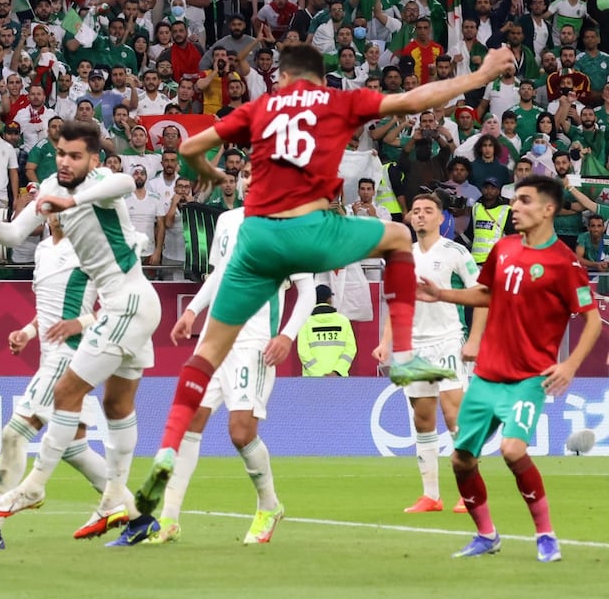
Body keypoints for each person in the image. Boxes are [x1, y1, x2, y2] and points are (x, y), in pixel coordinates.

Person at [138, 42, 516, 515]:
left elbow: (190, 147)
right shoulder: (337, 100)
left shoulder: (260, 107)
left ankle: (168, 451)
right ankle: (402, 356)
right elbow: (415, 100)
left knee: (206, 353)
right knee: (400, 236)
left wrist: (210, 172)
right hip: (312, 230)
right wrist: (479, 75)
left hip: (255, 237)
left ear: (282, 77)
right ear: (320, 77)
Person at [0, 120, 164, 547]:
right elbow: (15, 233)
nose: (65, 161)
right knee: (116, 406)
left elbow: (123, 180)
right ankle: (118, 499)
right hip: (130, 307)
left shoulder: (100, 182)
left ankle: (36, 484)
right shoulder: (47, 189)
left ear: (91, 159)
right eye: (61, 153)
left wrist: (70, 199)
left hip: (127, 300)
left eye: (75, 155)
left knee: (66, 392)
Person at [417, 175, 601, 562]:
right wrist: (442, 293)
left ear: (548, 209)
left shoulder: (565, 262)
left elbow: (592, 320)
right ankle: (486, 534)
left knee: (512, 450)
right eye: (514, 200)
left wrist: (568, 365)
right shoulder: (503, 248)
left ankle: (545, 534)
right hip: (486, 376)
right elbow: (485, 293)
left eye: (524, 201)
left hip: (528, 378)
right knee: (460, 458)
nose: (515, 207)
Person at [154, 167, 315, 545]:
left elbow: (307, 292)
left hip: (254, 340)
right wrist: (193, 310)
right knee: (191, 420)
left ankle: (269, 505)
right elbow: (219, 274)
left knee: (241, 432)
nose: (250, 179)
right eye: (245, 173)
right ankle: (168, 519)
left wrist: (287, 336)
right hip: (213, 335)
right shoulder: (227, 220)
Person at [0, 215, 118, 549]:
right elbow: (51, 309)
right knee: (73, 447)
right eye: (51, 206)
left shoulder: (93, 249)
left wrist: (77, 324)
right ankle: (139, 515)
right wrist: (27, 331)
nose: (58, 213)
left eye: (65, 206)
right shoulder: (42, 250)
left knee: (14, 434)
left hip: (66, 357)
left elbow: (119, 307)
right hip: (50, 354)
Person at [373, 193, 480, 513]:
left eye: (427, 211)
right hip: (413, 346)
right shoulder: (400, 256)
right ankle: (431, 495)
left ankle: (470, 492)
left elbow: (481, 294)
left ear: (440, 218)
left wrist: (474, 339)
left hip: (447, 340)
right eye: (416, 211)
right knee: (422, 418)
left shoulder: (456, 252)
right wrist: (386, 341)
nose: (420, 215)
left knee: (454, 416)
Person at [296, 285, 356, 377]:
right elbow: (350, 350)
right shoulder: (343, 321)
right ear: (329, 299)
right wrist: (337, 372)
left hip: (311, 381)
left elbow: (303, 352)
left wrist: (318, 375)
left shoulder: (305, 322)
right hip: (339, 379)